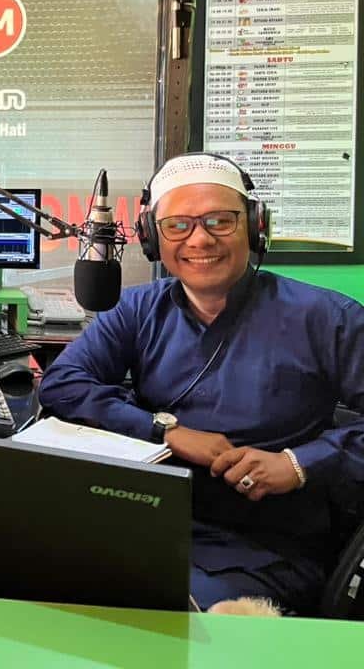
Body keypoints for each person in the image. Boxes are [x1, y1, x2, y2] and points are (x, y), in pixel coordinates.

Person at [39, 153, 364, 615]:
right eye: (177, 226)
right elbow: (63, 384)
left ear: (254, 226)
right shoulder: (137, 309)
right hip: (143, 523)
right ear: (153, 238)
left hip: (266, 549)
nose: (200, 239)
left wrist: (297, 464)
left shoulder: (328, 318)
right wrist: (166, 432)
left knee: (167, 620)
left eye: (220, 220)